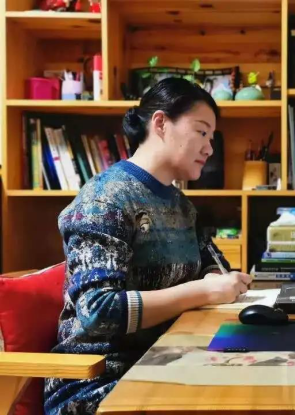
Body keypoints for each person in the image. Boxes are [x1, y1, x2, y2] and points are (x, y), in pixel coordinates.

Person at [44, 78, 252, 414]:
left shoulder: (181, 205)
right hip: (100, 382)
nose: (210, 149)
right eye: (202, 132)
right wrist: (203, 291)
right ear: (160, 123)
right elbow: (98, 312)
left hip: (168, 360)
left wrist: (216, 277)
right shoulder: (104, 199)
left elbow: (212, 263)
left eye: (211, 138)